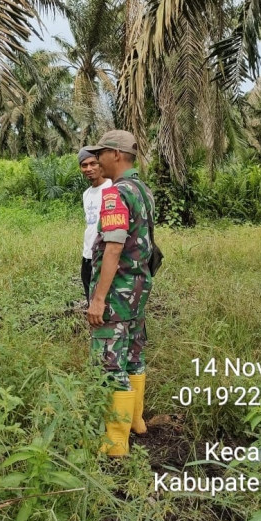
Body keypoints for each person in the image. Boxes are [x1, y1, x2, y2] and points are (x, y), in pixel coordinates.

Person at [84, 130, 155, 456]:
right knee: (133, 355)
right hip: (139, 290)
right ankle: (136, 421)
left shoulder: (116, 194)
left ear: (116, 154)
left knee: (110, 363)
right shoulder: (143, 190)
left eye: (101, 153)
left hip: (117, 293)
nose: (96, 159)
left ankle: (115, 443)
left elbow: (113, 249)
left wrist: (98, 298)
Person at [79, 149, 111, 303]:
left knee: (106, 303)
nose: (89, 169)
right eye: (84, 165)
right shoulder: (86, 194)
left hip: (105, 256)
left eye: (93, 163)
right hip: (87, 256)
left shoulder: (113, 187)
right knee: (91, 301)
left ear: (100, 164)